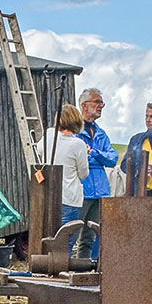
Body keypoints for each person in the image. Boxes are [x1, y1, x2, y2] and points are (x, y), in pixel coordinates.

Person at [50, 104, 94, 260]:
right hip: (70, 198)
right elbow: (84, 174)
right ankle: (61, 270)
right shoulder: (78, 144)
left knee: (50, 238)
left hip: (50, 196)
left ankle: (48, 268)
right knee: (66, 243)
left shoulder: (48, 136)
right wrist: (86, 154)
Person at [75, 88, 116, 222]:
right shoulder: (75, 131)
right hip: (82, 190)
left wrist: (93, 152)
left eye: (102, 103)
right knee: (75, 229)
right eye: (97, 102)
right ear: (84, 106)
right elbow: (77, 159)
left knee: (95, 231)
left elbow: (113, 159)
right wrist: (101, 159)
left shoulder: (101, 133)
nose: (101, 106)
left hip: (100, 191)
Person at [122, 102, 152, 196]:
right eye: (147, 116)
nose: (148, 120)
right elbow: (124, 165)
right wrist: (140, 169)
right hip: (140, 192)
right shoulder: (136, 139)